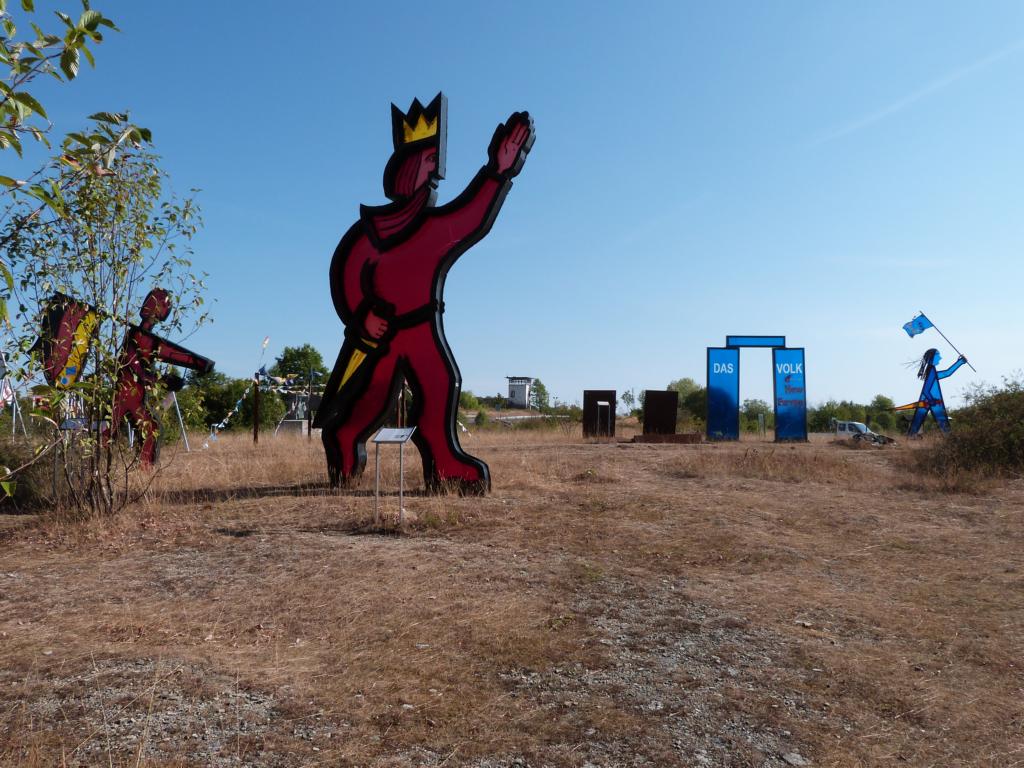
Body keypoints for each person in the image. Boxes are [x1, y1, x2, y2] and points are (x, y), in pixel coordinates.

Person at [314, 94, 534, 493]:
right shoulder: (372, 233)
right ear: (410, 167)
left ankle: (445, 463)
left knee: (441, 385)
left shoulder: (432, 228)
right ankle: (344, 441)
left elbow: (470, 217)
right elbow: (347, 275)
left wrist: (498, 171)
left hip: (422, 329)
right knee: (371, 400)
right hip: (385, 335)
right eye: (431, 161)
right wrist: (363, 317)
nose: (436, 172)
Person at [106, 288, 214, 466]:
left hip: (135, 396)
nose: (160, 309)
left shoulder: (151, 339)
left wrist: (199, 363)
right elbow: (133, 365)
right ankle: (97, 466)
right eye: (159, 303)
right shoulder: (136, 335)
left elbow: (169, 352)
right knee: (124, 429)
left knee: (149, 429)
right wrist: (161, 380)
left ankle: (143, 470)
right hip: (126, 393)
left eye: (164, 305)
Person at [897, 348, 967, 436]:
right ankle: (950, 439)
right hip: (932, 400)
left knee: (917, 421)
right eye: (938, 355)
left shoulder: (931, 370)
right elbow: (927, 390)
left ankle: (910, 438)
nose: (940, 358)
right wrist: (931, 400)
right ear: (932, 358)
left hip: (928, 399)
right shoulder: (931, 370)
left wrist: (960, 362)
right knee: (942, 422)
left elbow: (946, 373)